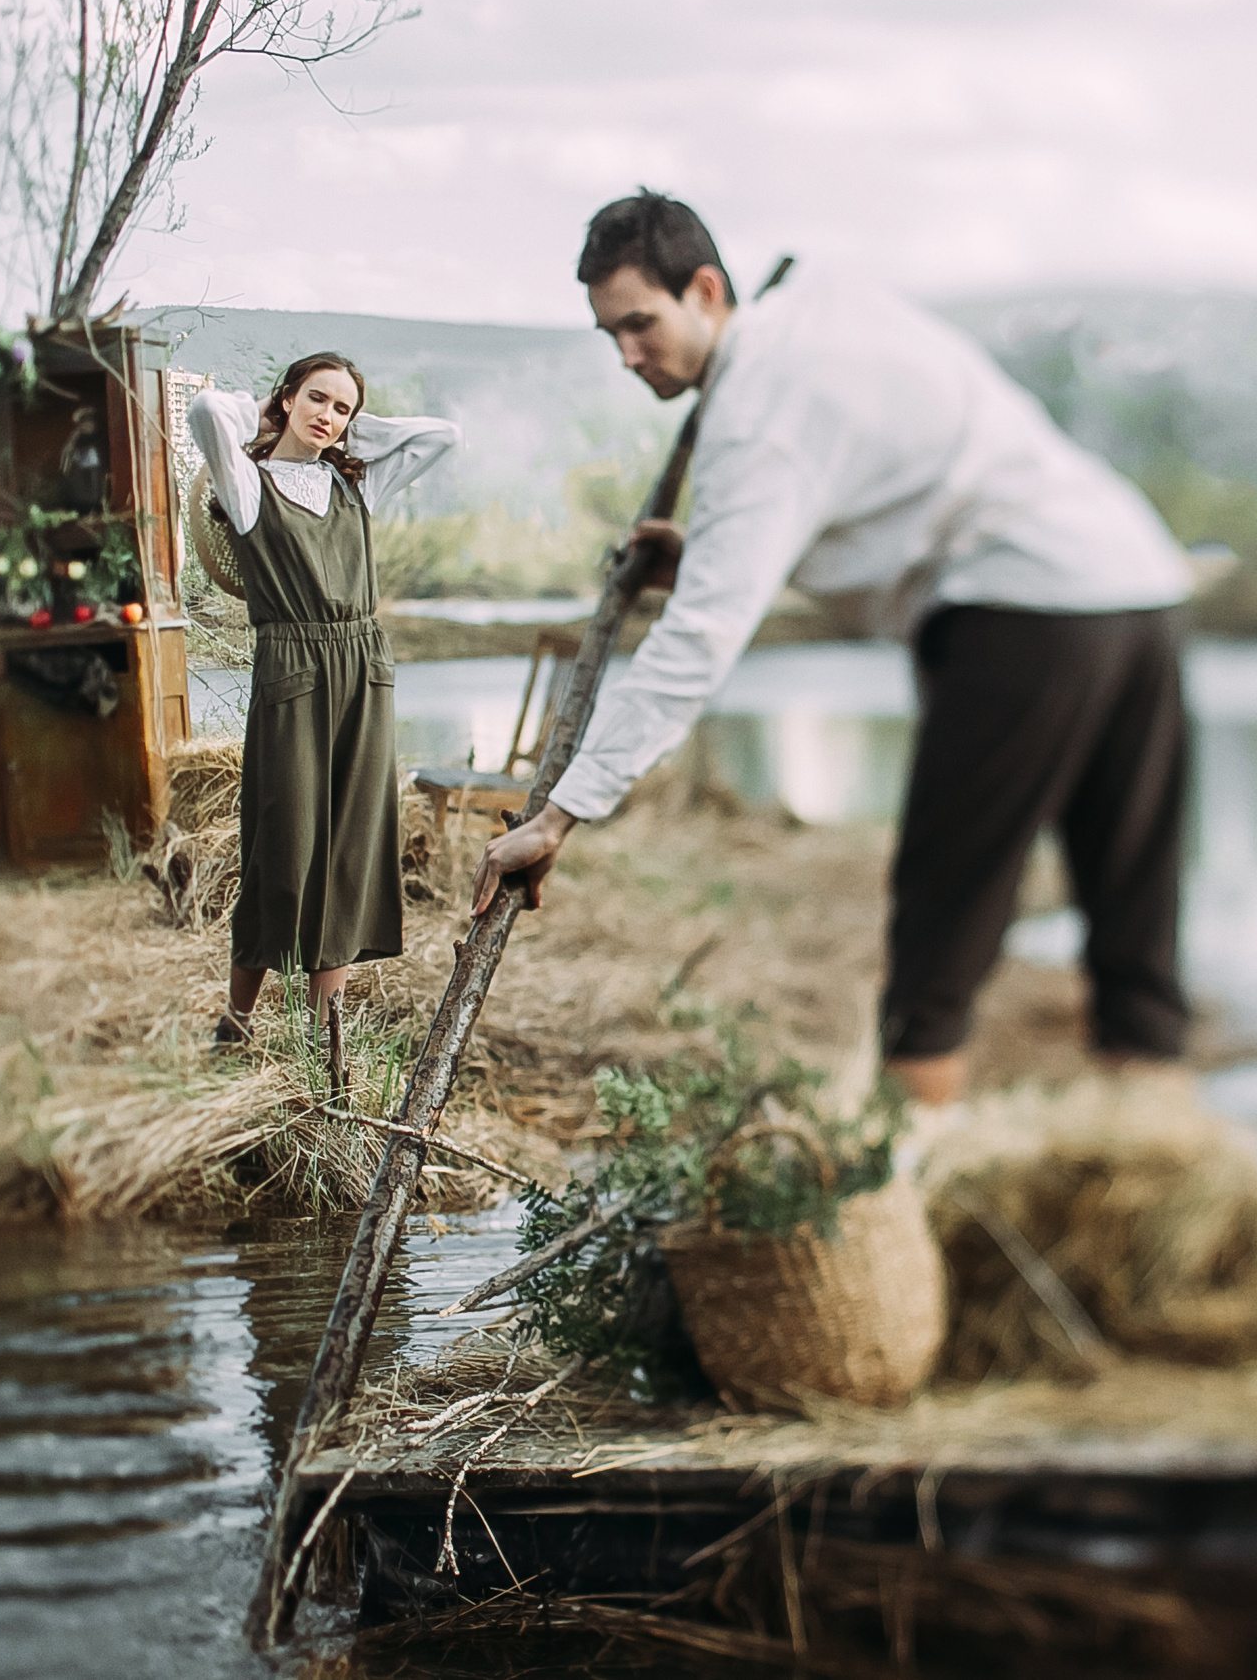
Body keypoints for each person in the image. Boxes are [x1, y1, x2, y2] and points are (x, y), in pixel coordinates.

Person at [471, 192, 1196, 1111]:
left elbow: (697, 640)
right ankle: (1154, 1139)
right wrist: (712, 553)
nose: (627, 355)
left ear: (706, 291)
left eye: (641, 324)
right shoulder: (819, 308)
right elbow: (878, 488)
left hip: (1024, 609)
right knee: (1135, 905)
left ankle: (903, 1161)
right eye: (610, 334)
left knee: (946, 908)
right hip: (1138, 586)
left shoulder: (753, 417)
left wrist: (561, 813)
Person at [188, 354, 458, 1044]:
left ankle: (321, 1036)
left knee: (350, 846)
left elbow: (441, 436)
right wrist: (264, 417)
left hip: (363, 665)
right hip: (292, 666)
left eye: (343, 408)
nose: (328, 416)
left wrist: (351, 432)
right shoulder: (247, 484)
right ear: (287, 397)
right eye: (316, 398)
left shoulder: (354, 485)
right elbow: (208, 413)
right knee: (280, 847)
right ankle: (237, 1021)